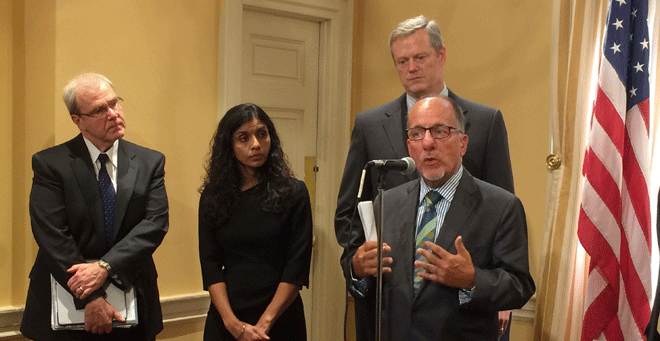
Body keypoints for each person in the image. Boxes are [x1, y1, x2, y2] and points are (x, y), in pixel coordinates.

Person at [335, 15, 515, 340]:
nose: (411, 68)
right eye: (402, 61)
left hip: (460, 310)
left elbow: (503, 212)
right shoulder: (370, 125)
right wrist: (357, 262)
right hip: (388, 303)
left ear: (441, 55)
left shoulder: (485, 122)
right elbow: (349, 211)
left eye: (420, 57)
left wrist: (496, 294)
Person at [351, 96, 535, 340]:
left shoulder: (501, 206)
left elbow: (519, 286)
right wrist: (358, 270)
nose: (427, 143)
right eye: (417, 134)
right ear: (409, 147)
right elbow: (373, 287)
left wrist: (471, 279)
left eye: (439, 131)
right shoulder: (386, 203)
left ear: (462, 143)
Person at [20, 73, 169, 340]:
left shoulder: (150, 162)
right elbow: (52, 234)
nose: (113, 113)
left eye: (114, 103)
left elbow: (154, 224)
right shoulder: (50, 164)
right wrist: (92, 297)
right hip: (63, 306)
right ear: (78, 121)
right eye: (100, 109)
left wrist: (105, 267)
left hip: (134, 302)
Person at [198, 103, 313, 341]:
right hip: (227, 320)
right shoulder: (213, 197)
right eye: (244, 138)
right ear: (229, 146)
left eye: (262, 134)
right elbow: (210, 266)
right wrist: (233, 325)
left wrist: (264, 324)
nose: (256, 144)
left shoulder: (294, 192)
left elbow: (297, 268)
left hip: (279, 320)